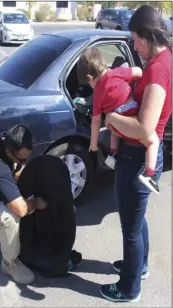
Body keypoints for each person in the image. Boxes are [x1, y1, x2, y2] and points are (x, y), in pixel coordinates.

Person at [97, 5, 171, 302]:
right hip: (139, 156)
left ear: (147, 35)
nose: (134, 46)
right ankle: (138, 268)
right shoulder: (163, 60)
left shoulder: (158, 69)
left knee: (130, 227)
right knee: (137, 221)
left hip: (137, 156)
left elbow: (144, 127)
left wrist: (111, 119)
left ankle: (129, 289)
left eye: (135, 40)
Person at [77, 47, 160, 194]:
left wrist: (93, 143)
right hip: (132, 115)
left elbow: (96, 121)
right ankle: (149, 173)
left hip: (117, 122)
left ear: (90, 78)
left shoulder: (96, 95)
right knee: (153, 141)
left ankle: (113, 154)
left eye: (88, 83)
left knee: (114, 131)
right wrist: (133, 83)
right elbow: (140, 72)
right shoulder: (117, 73)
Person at [0, 125, 47, 285]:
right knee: (11, 214)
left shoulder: (5, 137)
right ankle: (9, 264)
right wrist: (35, 203)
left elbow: (18, 169)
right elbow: (21, 208)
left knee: (14, 194)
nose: (23, 162)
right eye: (21, 159)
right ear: (8, 152)